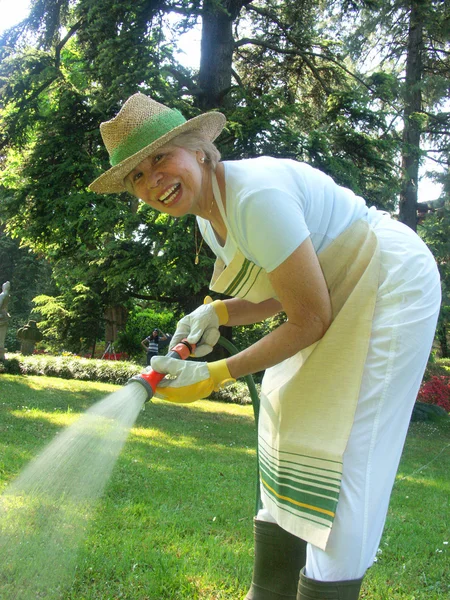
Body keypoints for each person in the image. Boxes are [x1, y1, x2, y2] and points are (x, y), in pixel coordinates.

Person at [89, 93, 441, 600]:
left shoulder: (254, 197)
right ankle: (270, 592)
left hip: (390, 281)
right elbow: (287, 294)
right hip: (337, 285)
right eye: (137, 177)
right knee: (284, 422)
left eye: (160, 158)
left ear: (198, 150)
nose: (153, 181)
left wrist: (216, 374)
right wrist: (219, 312)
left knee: (348, 456)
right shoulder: (212, 218)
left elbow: (309, 318)